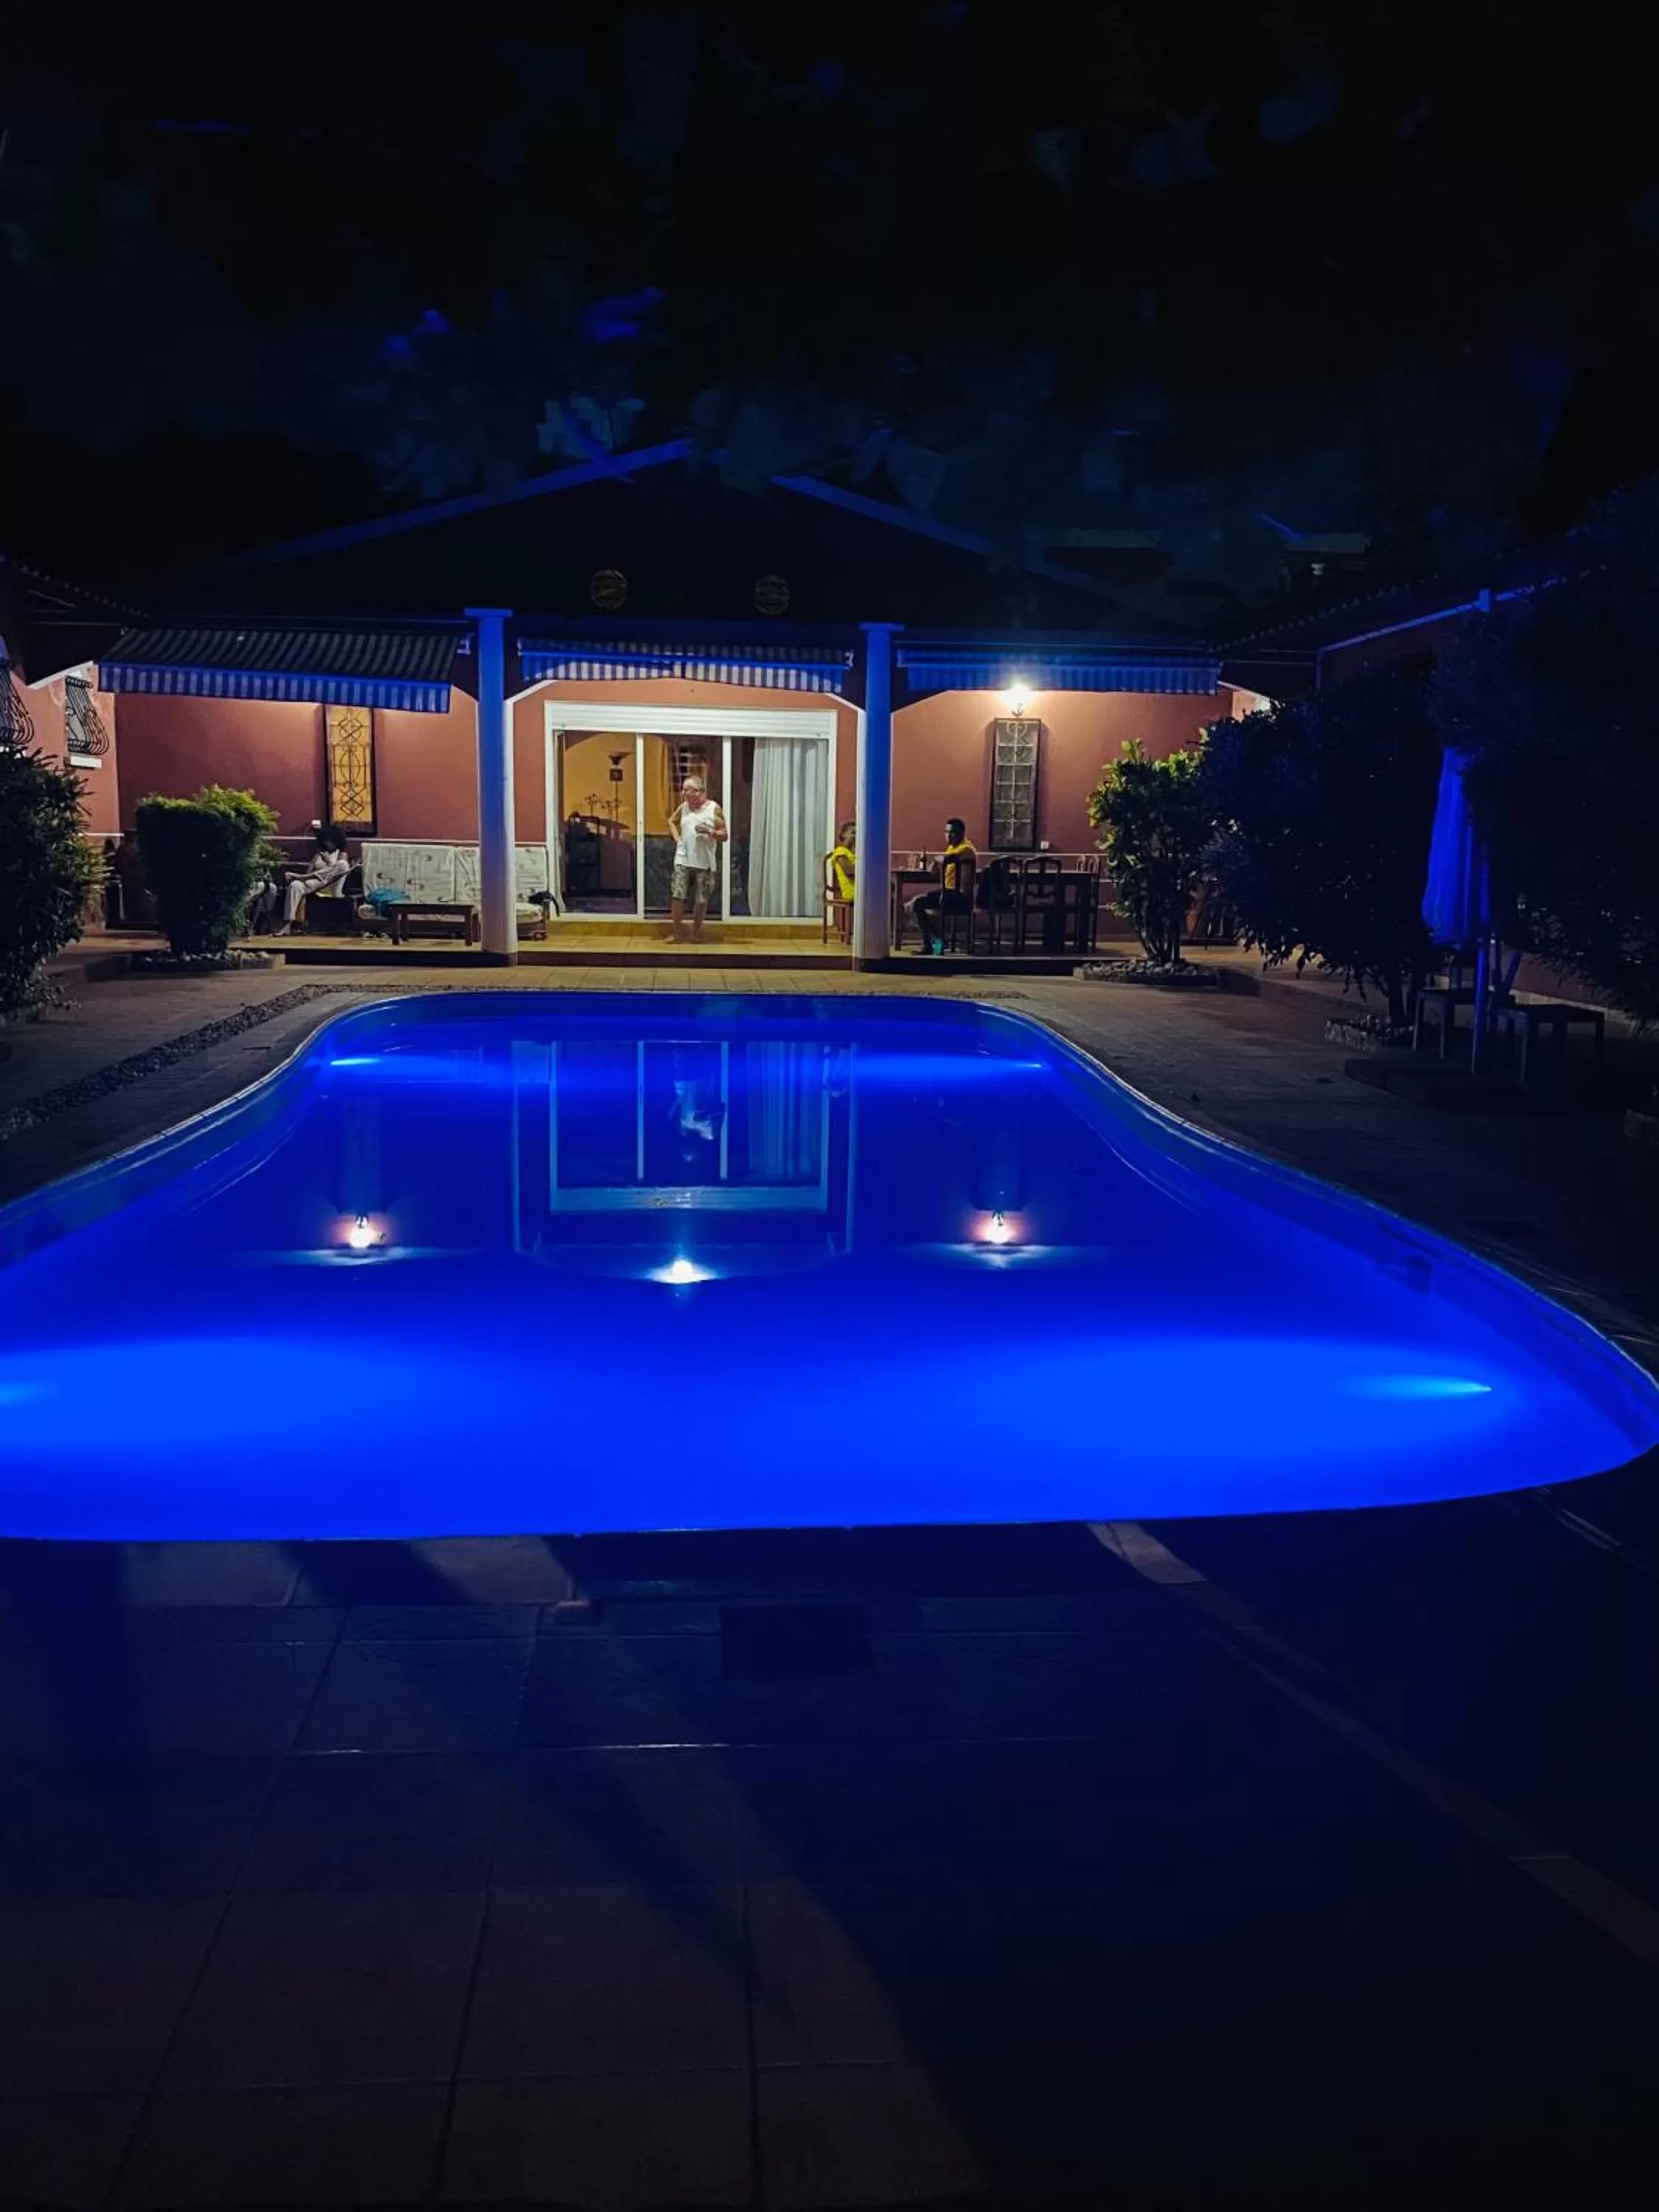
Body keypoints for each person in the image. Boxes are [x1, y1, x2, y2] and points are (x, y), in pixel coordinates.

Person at [665, 773, 727, 942]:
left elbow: (724, 835)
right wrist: (678, 840)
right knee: (678, 896)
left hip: (705, 862)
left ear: (698, 791)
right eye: (684, 790)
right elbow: (671, 821)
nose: (683, 794)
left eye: (687, 791)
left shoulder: (713, 809)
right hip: (683, 860)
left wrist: (710, 832)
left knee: (701, 900)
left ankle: (695, 933)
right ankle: (677, 932)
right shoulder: (683, 807)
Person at [907, 818, 977, 953]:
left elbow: (949, 859)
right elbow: (941, 864)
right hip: (948, 893)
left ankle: (931, 943)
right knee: (912, 905)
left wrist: (936, 860)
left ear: (961, 834)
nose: (949, 836)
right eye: (946, 832)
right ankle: (936, 938)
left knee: (916, 903)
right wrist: (935, 865)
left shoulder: (967, 849)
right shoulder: (951, 848)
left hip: (960, 896)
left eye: (953, 833)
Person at [271, 824, 351, 935]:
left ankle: (300, 877)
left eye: (330, 841)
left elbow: (338, 871)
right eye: (326, 841)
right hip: (316, 883)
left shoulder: (342, 854)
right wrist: (302, 879)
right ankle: (288, 924)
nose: (328, 843)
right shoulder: (319, 854)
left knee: (343, 864)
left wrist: (329, 862)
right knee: (296, 885)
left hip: (332, 885)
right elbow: (310, 872)